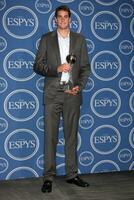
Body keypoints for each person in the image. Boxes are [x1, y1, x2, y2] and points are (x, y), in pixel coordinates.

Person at [33, 5, 90, 193]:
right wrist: (55, 69)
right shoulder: (46, 39)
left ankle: (72, 174)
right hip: (53, 94)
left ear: (70, 20)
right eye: (60, 17)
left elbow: (85, 68)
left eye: (66, 17)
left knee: (71, 136)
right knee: (50, 137)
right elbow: (37, 66)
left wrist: (79, 87)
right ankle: (48, 177)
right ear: (55, 20)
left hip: (72, 94)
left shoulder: (80, 40)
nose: (63, 20)